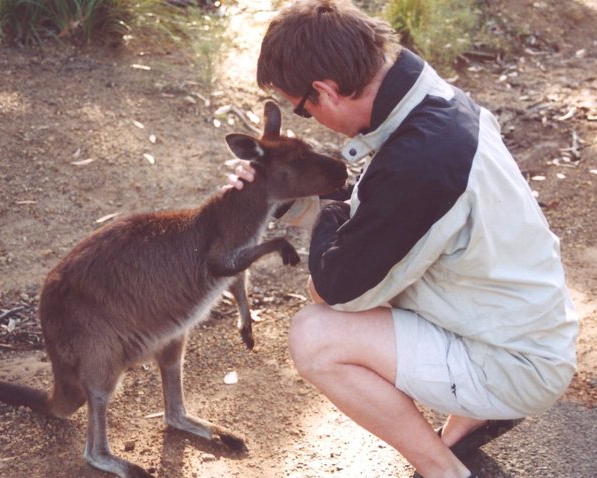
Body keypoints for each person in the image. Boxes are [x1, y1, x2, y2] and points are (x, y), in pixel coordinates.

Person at [226, 1, 579, 477]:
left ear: (324, 92)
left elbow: (335, 289)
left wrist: (325, 207)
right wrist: (283, 191)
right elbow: (383, 211)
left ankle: (444, 469)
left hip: (515, 361)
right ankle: (472, 416)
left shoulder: (420, 158)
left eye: (302, 111)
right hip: (523, 324)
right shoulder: (428, 101)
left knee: (316, 335)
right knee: (373, 276)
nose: (307, 119)